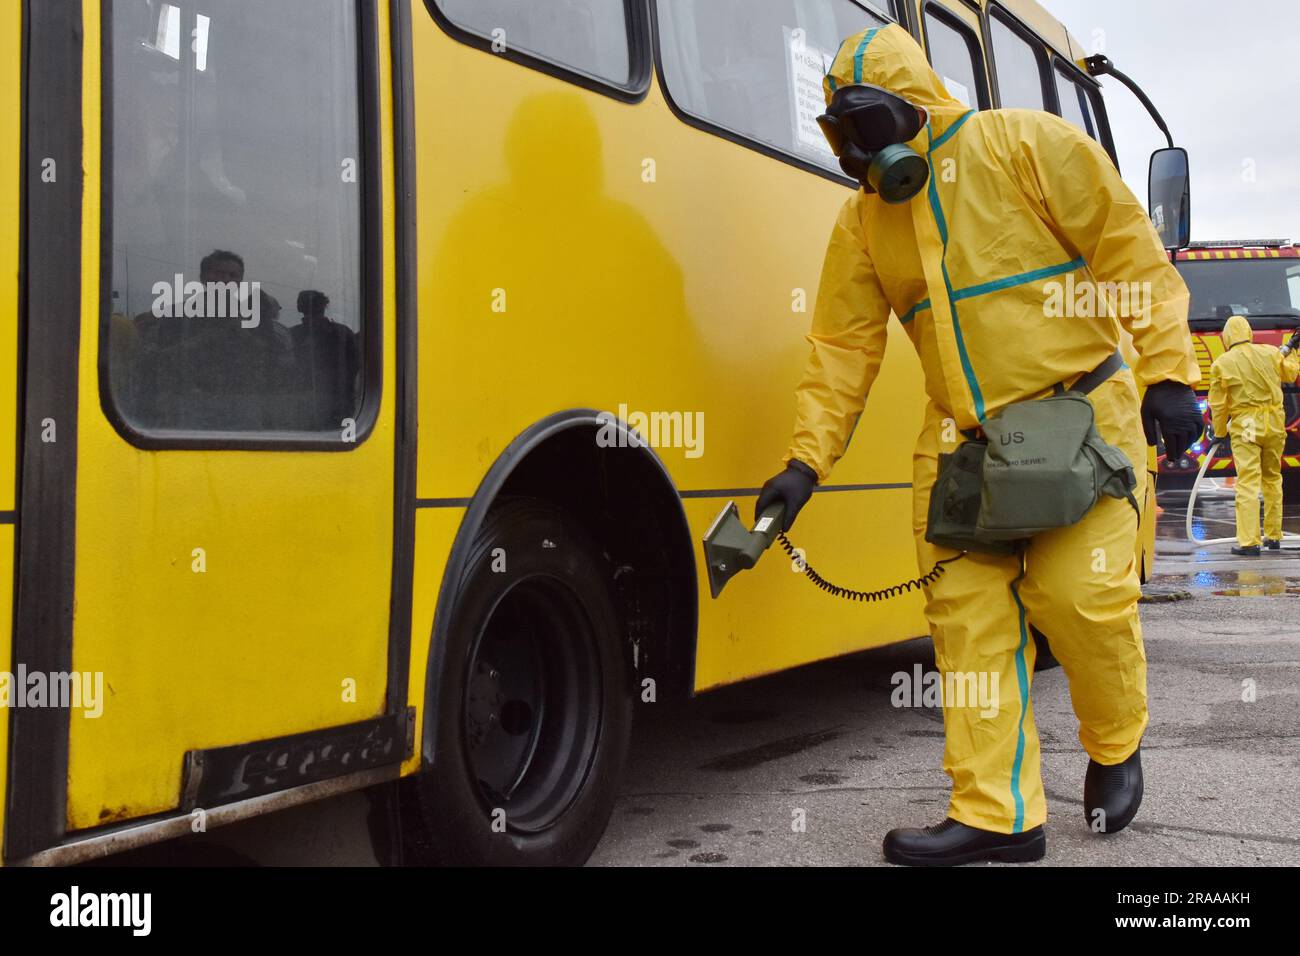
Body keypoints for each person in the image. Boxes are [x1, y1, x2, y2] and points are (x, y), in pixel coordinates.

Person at [755, 24, 1203, 865]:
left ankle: (1114, 743)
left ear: (915, 104)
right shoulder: (864, 223)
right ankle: (997, 816)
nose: (862, 152)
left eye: (871, 123)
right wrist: (803, 464)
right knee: (966, 633)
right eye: (843, 134)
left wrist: (1170, 373)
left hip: (1083, 428)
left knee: (1079, 602)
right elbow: (843, 350)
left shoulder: (1026, 144)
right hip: (964, 453)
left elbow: (1127, 250)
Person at [1207, 316, 1300, 555]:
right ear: (1248, 332)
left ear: (1226, 337)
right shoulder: (1270, 352)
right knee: (1272, 478)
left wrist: (1219, 433)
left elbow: (1218, 405)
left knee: (1248, 481)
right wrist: (1294, 350)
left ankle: (1249, 543)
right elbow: (1290, 374)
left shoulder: (1221, 364)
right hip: (1275, 423)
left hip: (1246, 425)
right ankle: (1274, 536)